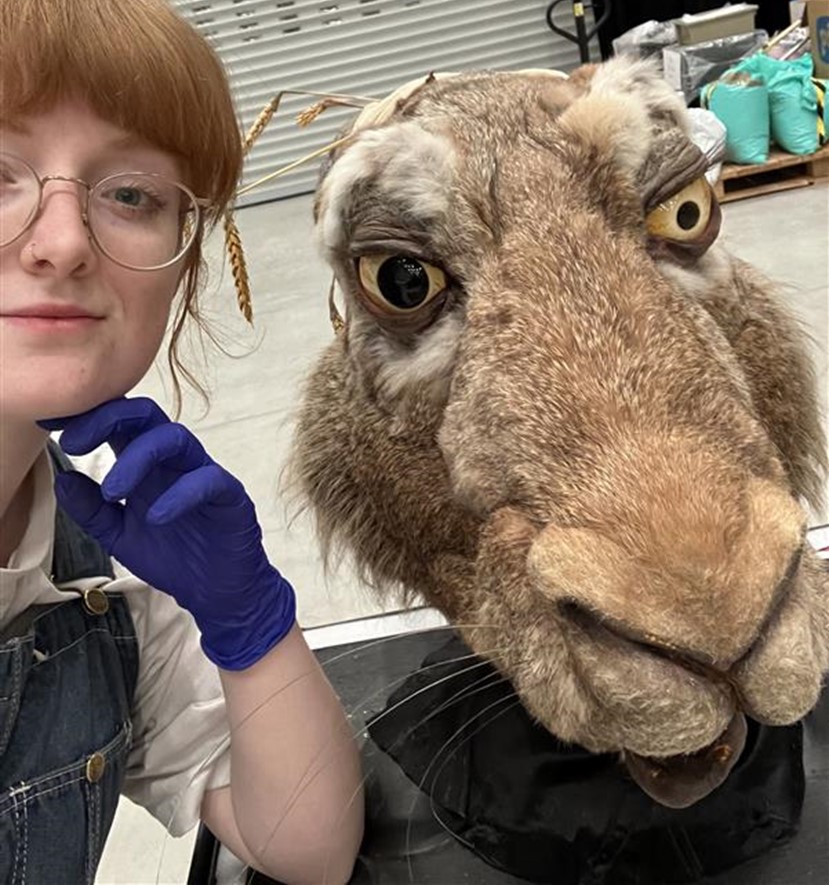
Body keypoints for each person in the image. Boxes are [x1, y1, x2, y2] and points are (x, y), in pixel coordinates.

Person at [0, 1, 363, 883]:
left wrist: (250, 620)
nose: (61, 242)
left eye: (129, 194)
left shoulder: (101, 577)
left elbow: (306, 843)